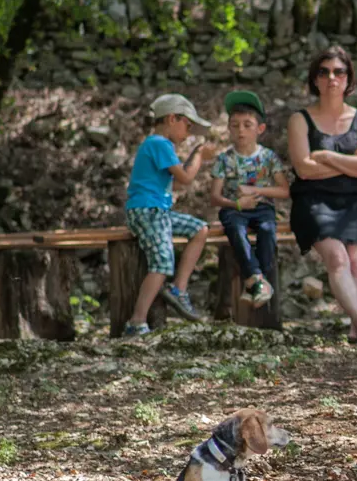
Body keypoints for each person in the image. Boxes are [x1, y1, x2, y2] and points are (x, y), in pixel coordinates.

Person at [288, 46, 357, 341]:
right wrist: (350, 162)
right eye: (324, 72)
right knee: (338, 258)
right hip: (314, 201)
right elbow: (303, 169)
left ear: (348, 78)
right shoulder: (300, 120)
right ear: (315, 79)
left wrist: (326, 157)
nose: (332, 77)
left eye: (339, 72)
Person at [122, 93, 215, 335]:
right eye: (188, 125)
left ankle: (178, 289)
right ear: (172, 119)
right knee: (162, 264)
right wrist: (198, 156)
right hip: (147, 210)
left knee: (199, 229)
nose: (188, 132)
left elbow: (171, 182)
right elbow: (184, 179)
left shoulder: (160, 145)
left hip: (158, 211)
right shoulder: (159, 143)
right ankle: (136, 322)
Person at [207, 91, 290, 308]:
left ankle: (254, 283)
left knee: (267, 230)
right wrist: (236, 203)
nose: (241, 130)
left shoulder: (268, 157)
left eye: (247, 125)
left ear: (259, 129)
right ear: (228, 129)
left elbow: (284, 190)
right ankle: (257, 281)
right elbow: (215, 197)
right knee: (235, 228)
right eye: (235, 125)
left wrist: (256, 191)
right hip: (234, 210)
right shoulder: (225, 159)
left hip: (262, 208)